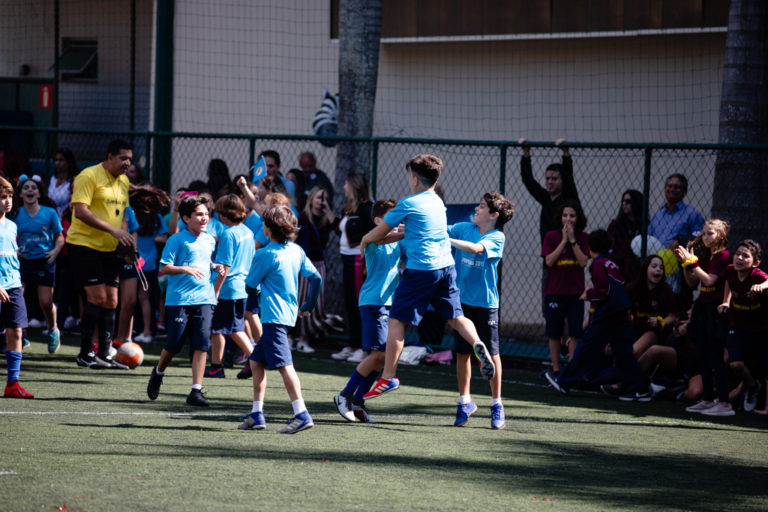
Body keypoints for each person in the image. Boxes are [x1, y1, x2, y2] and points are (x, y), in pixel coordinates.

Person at [359, 154, 495, 400]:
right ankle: (477, 342)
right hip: (446, 267)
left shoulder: (408, 203)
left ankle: (388, 377)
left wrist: (365, 240)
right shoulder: (438, 203)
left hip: (421, 270)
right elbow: (409, 231)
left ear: (414, 178)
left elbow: (379, 233)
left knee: (396, 320)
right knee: (456, 317)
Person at [237, 204, 322, 434]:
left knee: (285, 366)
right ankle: (256, 414)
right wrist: (309, 305)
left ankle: (301, 414)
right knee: (255, 361)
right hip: (287, 316)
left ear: (267, 228)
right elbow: (316, 278)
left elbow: (250, 285)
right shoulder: (296, 250)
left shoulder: (264, 254)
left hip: (273, 318)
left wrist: (254, 302)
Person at [545, 230, 651, 401]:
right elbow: (618, 285)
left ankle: (564, 381)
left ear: (589, 247)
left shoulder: (598, 264)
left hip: (608, 314)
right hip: (620, 312)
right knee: (623, 353)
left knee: (586, 347)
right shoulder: (611, 263)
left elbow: (603, 290)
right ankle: (639, 389)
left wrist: (588, 294)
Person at [146, 195, 224, 406]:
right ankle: (158, 372)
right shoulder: (176, 239)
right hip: (180, 299)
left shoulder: (209, 239)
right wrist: (185, 269)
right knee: (174, 344)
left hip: (205, 298)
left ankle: (196, 391)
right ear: (186, 218)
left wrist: (214, 266)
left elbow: (206, 260)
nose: (204, 218)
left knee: (202, 344)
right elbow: (165, 267)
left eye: (206, 214)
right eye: (199, 214)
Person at [447, 191, 514, 429]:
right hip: (461, 301)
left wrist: (448, 241)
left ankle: (496, 404)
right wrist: (403, 227)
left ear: (493, 215)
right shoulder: (464, 228)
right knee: (462, 353)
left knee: (492, 354)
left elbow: (475, 249)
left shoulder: (497, 237)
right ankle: (464, 401)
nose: (477, 209)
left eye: (482, 206)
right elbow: (438, 230)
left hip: (486, 304)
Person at [67, 139, 134, 369]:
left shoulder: (124, 181)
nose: (127, 163)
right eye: (123, 158)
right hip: (84, 245)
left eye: (130, 159)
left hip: (109, 249)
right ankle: (86, 353)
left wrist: (125, 242)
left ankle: (105, 355)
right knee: (96, 298)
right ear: (109, 157)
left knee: (112, 301)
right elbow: (80, 211)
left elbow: (121, 215)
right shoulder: (88, 176)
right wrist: (113, 230)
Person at [333, 199, 402, 424]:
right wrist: (405, 231)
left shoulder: (397, 241)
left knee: (381, 359)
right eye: (391, 217)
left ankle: (358, 402)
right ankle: (345, 395)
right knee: (379, 355)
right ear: (378, 220)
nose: (396, 220)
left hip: (389, 303)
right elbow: (383, 238)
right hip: (373, 301)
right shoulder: (372, 238)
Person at [675, 219, 733, 416]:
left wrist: (692, 263)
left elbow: (709, 280)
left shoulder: (724, 256)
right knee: (702, 354)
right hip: (703, 308)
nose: (705, 237)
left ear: (721, 236)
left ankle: (724, 402)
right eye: (704, 233)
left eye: (710, 233)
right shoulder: (706, 256)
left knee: (716, 355)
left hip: (716, 311)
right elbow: (692, 282)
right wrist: (686, 265)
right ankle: (707, 399)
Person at [204, 194, 255, 378]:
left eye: (220, 213)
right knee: (230, 328)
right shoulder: (248, 232)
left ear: (225, 214)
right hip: (242, 288)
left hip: (228, 289)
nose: (218, 216)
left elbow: (224, 266)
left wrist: (215, 291)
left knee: (224, 329)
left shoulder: (228, 234)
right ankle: (217, 366)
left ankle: (254, 359)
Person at [13, 174, 64, 353]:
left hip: (44, 261)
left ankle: (53, 329)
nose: (30, 190)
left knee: (46, 301)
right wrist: (15, 251)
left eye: (33, 188)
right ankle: (22, 334)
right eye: (26, 188)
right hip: (23, 261)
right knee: (17, 298)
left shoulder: (49, 213)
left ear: (39, 193)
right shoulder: (16, 214)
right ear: (20, 194)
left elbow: (60, 237)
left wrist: (55, 251)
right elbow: (9, 236)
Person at [718, 239, 768, 413]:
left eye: (745, 256)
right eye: (737, 254)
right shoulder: (730, 271)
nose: (739, 258)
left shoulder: (757, 276)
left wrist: (761, 286)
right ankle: (752, 386)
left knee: (764, 368)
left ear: (755, 263)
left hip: (760, 328)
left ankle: (765, 407)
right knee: (735, 364)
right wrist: (726, 301)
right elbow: (728, 282)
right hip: (738, 326)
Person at [541, 200, 589, 375]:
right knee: (554, 332)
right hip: (555, 291)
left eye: (572, 216)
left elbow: (583, 262)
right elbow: (549, 261)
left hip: (575, 293)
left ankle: (571, 369)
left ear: (578, 218)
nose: (568, 219)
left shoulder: (583, 237)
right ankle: (556, 369)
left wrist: (573, 241)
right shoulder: (551, 236)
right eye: (565, 215)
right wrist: (563, 241)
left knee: (575, 332)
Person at [331, 172, 375, 363]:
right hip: (346, 260)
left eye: (346, 184)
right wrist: (327, 212)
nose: (344, 188)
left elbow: (377, 229)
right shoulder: (349, 208)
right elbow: (339, 230)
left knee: (359, 303)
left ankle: (365, 347)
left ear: (354, 186)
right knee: (350, 303)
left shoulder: (366, 208)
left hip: (358, 261)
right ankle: (353, 344)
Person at [1, 177, 35, 398]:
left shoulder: (12, 226)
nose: (7, 201)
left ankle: (12, 384)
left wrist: (17, 280)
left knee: (16, 331)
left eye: (10, 197)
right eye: (2, 197)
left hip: (13, 285)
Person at [294, 186, 338, 353]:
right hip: (304, 264)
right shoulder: (304, 217)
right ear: (311, 199)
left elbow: (338, 229)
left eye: (324, 198)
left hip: (319, 265)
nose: (321, 201)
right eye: (319, 198)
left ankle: (305, 337)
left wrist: (328, 211)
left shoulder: (326, 219)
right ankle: (294, 337)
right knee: (300, 298)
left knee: (315, 302)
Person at [128, 184, 171, 343]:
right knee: (144, 297)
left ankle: (128, 332)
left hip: (133, 261)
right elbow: (164, 237)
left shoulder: (131, 214)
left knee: (129, 298)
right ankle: (146, 333)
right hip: (149, 263)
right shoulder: (156, 217)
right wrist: (153, 239)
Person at [519, 138, 578, 244]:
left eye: (554, 179)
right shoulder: (545, 197)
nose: (550, 182)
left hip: (565, 249)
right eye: (547, 179)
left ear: (562, 180)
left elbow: (568, 178)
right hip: (548, 249)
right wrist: (526, 153)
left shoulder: (568, 197)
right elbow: (528, 180)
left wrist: (566, 153)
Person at [626, 254, 678, 358]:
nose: (658, 269)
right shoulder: (633, 288)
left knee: (633, 352)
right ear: (645, 269)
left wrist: (660, 322)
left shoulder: (666, 290)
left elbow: (672, 316)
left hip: (654, 332)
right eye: (654, 266)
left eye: (661, 268)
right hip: (634, 329)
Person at [648, 174, 704, 250]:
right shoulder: (656, 215)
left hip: (678, 256)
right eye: (669, 186)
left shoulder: (692, 214)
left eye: (677, 187)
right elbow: (649, 238)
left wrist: (681, 242)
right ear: (664, 189)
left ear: (684, 191)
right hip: (655, 256)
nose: (672, 189)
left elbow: (698, 239)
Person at [113, 204, 140, 346]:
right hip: (107, 255)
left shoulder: (127, 208)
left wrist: (131, 250)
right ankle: (99, 340)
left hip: (127, 259)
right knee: (109, 301)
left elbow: (133, 231)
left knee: (130, 301)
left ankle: (124, 339)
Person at [607, 189, 644, 283]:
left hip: (638, 268)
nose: (624, 204)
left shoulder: (644, 226)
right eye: (623, 201)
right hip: (620, 268)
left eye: (628, 201)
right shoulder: (615, 225)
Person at [49, 148, 78, 215]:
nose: (57, 163)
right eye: (56, 160)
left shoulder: (73, 181)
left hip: (65, 218)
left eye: (61, 160)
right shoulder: (53, 179)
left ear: (68, 162)